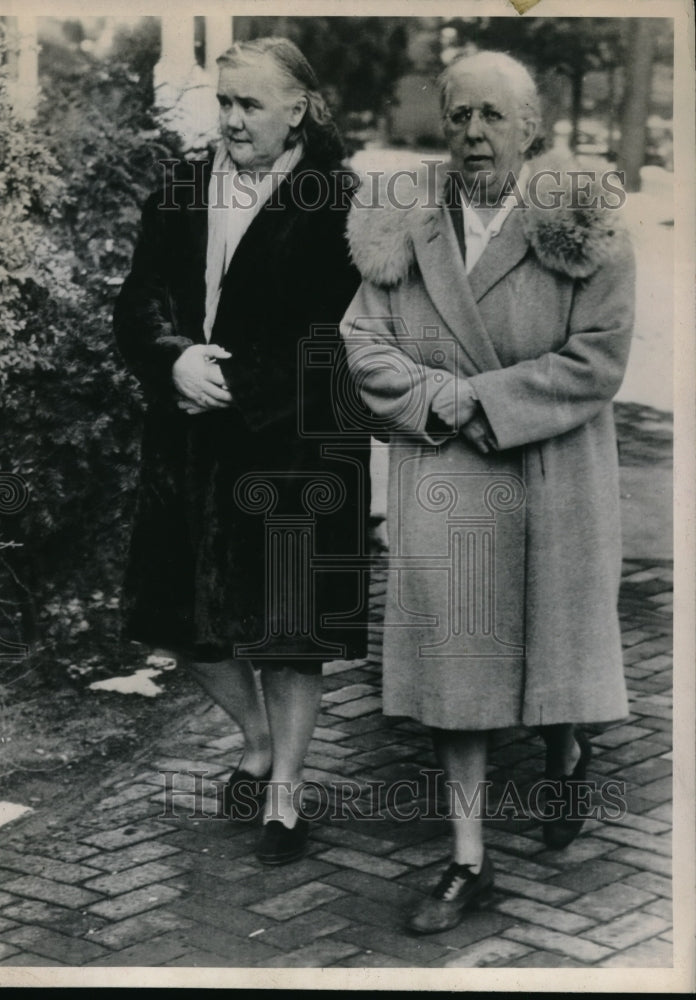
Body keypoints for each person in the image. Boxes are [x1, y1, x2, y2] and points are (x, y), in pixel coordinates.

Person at [341, 51, 635, 932]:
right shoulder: (403, 220)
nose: (474, 133)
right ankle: (468, 858)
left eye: (493, 118)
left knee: (552, 649)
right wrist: (443, 401)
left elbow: (598, 359)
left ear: (532, 129)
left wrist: (488, 400)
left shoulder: (583, 223)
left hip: (550, 472)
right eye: (460, 115)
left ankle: (566, 748)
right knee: (455, 664)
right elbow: (364, 343)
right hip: (449, 475)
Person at [114, 37, 369, 865]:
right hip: (189, 441)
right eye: (223, 102)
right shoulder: (183, 189)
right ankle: (254, 742)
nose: (230, 120)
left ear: (296, 109)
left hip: (297, 446)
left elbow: (348, 338)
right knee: (183, 623)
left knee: (291, 634)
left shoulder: (341, 199)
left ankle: (286, 798)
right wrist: (173, 357)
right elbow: (138, 301)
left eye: (249, 104)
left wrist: (244, 387)